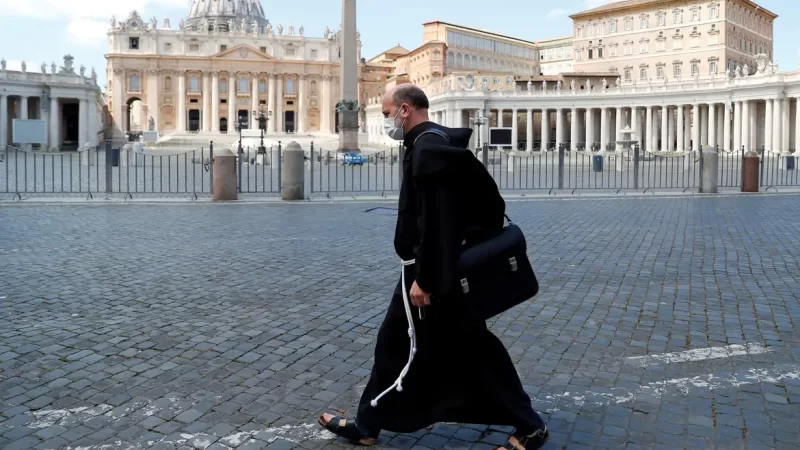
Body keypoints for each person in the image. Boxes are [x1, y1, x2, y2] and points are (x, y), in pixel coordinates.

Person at [318, 85, 549, 450]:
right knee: (402, 343)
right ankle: (368, 422)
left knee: (469, 348)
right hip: (430, 266)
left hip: (430, 273)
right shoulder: (435, 141)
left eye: (386, 112)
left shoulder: (428, 150)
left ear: (405, 110)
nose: (386, 120)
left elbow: (438, 222)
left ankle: (529, 425)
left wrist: (425, 280)